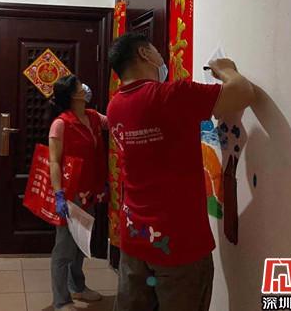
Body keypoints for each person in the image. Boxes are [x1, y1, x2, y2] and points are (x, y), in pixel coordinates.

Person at [106, 33, 255, 311]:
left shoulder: (115, 105)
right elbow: (243, 93)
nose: (161, 57)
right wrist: (225, 69)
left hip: (135, 236)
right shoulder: (170, 95)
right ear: (144, 54)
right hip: (180, 243)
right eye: (156, 51)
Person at [48, 75, 108, 311]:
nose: (85, 87)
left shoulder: (93, 117)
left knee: (82, 243)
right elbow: (54, 161)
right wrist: (58, 195)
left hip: (89, 192)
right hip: (69, 193)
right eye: (80, 86)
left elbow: (115, 121)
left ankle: (78, 287)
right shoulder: (61, 123)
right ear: (74, 95)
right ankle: (61, 300)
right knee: (64, 248)